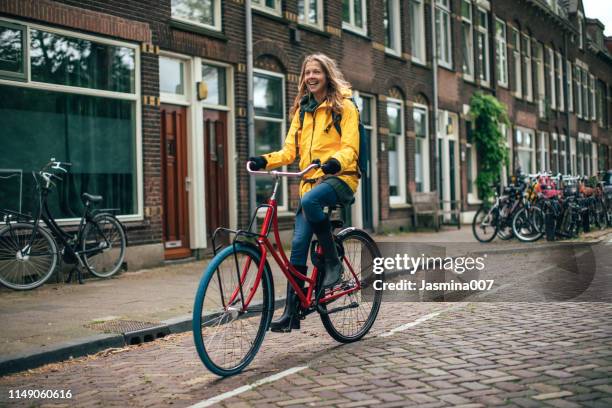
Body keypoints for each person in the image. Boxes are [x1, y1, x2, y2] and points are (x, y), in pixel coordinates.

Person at [248, 53, 360, 332]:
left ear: (327, 75)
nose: (311, 77)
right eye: (307, 72)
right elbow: (289, 152)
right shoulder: (303, 111)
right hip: (310, 183)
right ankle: (292, 313)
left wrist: (337, 162)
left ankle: (333, 262)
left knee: (310, 200)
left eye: (317, 72)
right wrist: (265, 160)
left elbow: (350, 147)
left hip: (340, 177)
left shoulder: (344, 107)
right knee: (297, 245)